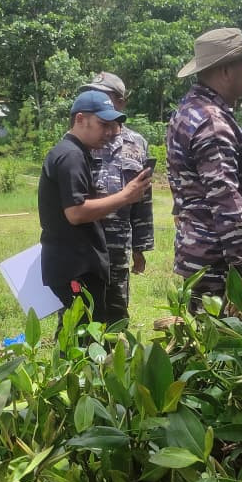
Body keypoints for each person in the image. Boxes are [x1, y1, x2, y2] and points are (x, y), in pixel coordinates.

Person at [166, 27, 242, 309]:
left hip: (202, 254)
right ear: (225, 71)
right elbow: (225, 200)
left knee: (201, 340)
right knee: (221, 345)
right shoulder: (212, 123)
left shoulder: (189, 110)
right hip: (220, 264)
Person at [39, 90, 152, 325]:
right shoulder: (71, 156)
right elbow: (76, 212)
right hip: (75, 264)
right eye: (103, 124)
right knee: (82, 337)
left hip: (79, 261)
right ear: (80, 119)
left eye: (112, 126)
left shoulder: (76, 152)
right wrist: (125, 196)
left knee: (92, 329)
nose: (110, 133)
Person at [80, 71, 155, 324]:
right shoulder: (82, 140)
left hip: (118, 245)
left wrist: (140, 247)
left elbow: (143, 200)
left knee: (116, 313)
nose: (94, 99)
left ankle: (114, 362)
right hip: (84, 244)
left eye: (104, 96)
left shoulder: (137, 143)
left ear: (121, 101)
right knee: (80, 314)